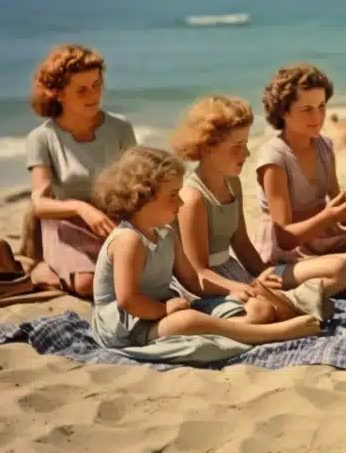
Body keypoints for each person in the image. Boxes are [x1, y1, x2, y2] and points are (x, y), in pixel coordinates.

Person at [89, 146, 321, 349]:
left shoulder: (166, 233)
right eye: (172, 195)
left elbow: (192, 280)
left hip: (161, 308)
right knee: (186, 321)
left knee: (259, 309)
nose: (180, 202)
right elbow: (128, 300)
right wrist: (164, 311)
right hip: (126, 324)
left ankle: (241, 327)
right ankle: (273, 334)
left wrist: (234, 289)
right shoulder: (128, 240)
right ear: (141, 197)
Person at [172, 95, 346, 300]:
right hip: (216, 287)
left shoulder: (232, 184)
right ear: (206, 147)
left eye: (246, 144)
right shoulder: (193, 198)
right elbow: (199, 274)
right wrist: (253, 287)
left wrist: (266, 274)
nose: (247, 153)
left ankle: (305, 297)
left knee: (338, 267)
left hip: (239, 274)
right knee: (264, 309)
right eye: (237, 147)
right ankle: (307, 298)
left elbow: (242, 245)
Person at [253, 63, 346, 275]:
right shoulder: (275, 158)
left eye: (321, 107)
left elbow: (340, 212)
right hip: (288, 250)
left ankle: (330, 270)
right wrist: (330, 217)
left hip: (324, 238)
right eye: (306, 110)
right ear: (283, 112)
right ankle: (334, 270)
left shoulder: (324, 146)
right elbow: (285, 238)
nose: (317, 117)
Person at [24, 44, 137, 297]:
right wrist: (81, 208)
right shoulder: (41, 138)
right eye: (82, 90)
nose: (93, 95)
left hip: (113, 221)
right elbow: (39, 204)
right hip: (66, 225)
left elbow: (137, 182)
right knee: (90, 285)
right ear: (58, 93)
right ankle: (45, 266)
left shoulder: (120, 128)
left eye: (97, 85)